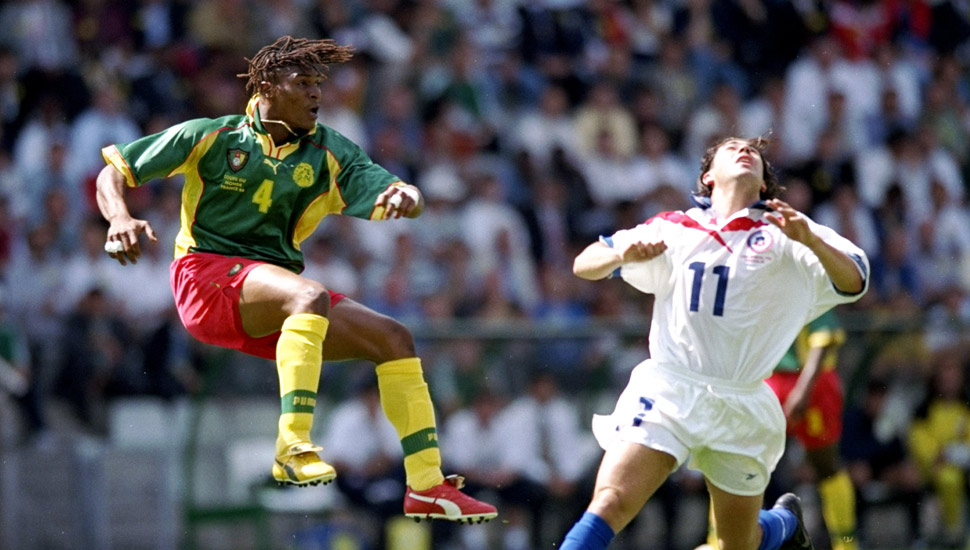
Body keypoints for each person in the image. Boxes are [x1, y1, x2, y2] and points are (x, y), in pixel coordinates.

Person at [94, 36, 496, 524]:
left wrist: (406, 195)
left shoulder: (328, 151)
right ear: (267, 86)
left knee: (394, 338)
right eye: (303, 82)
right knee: (309, 296)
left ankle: (427, 486)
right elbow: (114, 172)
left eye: (317, 84)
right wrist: (119, 218)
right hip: (205, 279)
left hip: (271, 296)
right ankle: (292, 446)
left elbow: (385, 184)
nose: (316, 93)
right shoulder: (212, 135)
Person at [558, 136, 869, 550]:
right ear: (708, 176)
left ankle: (783, 524)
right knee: (611, 502)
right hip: (670, 389)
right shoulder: (674, 227)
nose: (745, 151)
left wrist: (811, 242)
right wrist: (620, 256)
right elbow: (584, 263)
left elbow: (855, 281)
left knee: (736, 544)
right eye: (731, 147)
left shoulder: (787, 228)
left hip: (742, 403)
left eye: (753, 152)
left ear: (763, 184)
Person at [705, 310, 859, 550]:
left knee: (825, 466)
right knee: (736, 463)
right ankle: (718, 541)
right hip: (763, 380)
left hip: (812, 381)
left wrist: (804, 389)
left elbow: (825, 334)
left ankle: (846, 544)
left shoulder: (807, 283)